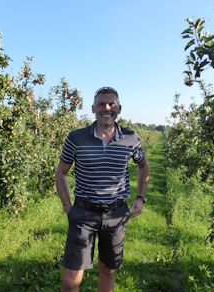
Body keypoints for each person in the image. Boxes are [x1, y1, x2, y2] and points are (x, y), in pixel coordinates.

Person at [55, 86, 150, 291]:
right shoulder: (76, 138)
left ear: (119, 108)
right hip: (83, 213)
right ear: (92, 108)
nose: (106, 108)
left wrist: (140, 197)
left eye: (111, 104)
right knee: (71, 279)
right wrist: (68, 207)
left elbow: (143, 166)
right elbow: (60, 172)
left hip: (116, 214)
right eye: (101, 104)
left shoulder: (131, 138)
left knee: (107, 270)